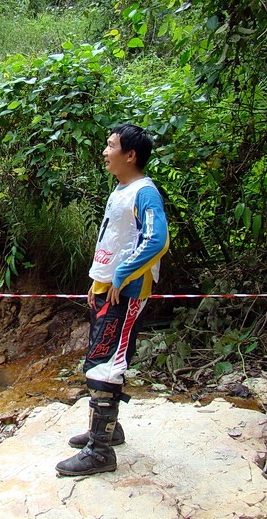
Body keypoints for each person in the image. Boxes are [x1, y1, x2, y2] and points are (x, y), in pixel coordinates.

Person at [56, 123, 169, 476]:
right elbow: (114, 240)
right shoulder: (121, 189)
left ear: (130, 155)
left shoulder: (144, 192)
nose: (105, 152)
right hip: (108, 290)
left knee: (106, 363)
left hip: (128, 291)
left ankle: (100, 451)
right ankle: (107, 429)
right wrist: (98, 281)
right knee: (98, 356)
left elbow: (157, 240)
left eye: (111, 146)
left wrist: (122, 275)